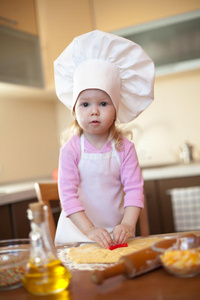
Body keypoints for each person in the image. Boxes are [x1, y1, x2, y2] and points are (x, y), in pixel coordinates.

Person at [54, 30, 155, 248]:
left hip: (116, 235)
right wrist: (89, 230)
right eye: (85, 104)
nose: (94, 111)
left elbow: (135, 190)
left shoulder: (125, 148)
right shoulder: (70, 150)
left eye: (103, 103)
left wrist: (127, 225)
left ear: (116, 109)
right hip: (77, 236)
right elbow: (68, 197)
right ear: (74, 109)